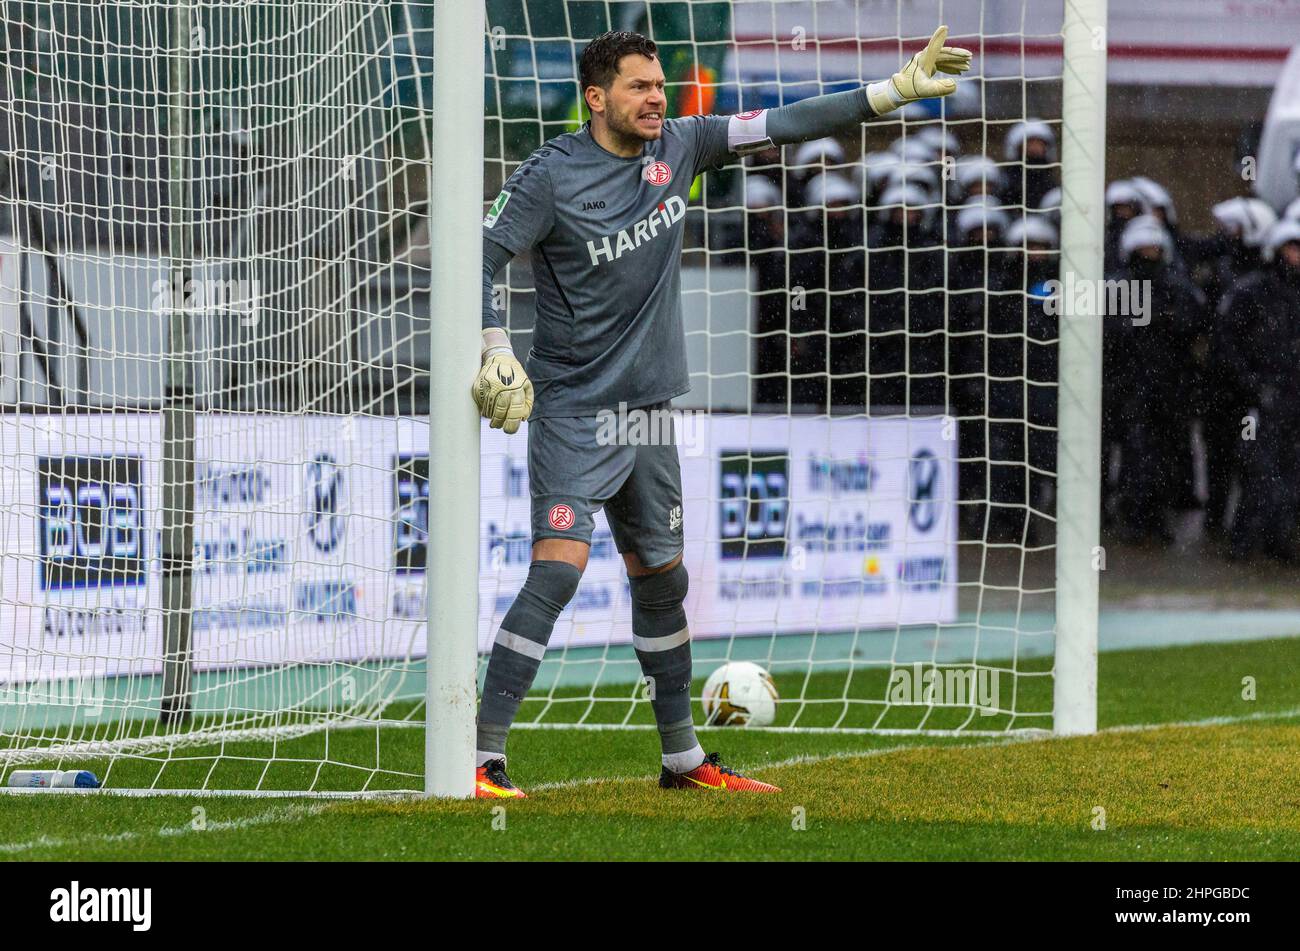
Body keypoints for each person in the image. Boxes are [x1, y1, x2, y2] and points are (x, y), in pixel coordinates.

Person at [470, 28, 973, 797]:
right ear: (597, 97)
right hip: (574, 408)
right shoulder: (549, 176)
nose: (655, 98)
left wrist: (894, 91)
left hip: (650, 415)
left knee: (662, 580)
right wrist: (494, 344)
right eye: (639, 87)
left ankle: (682, 760)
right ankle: (480, 759)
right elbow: (480, 253)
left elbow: (788, 121)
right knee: (558, 571)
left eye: (658, 86)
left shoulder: (688, 142)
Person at [1214, 220, 1300, 562]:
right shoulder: (1250, 292)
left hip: (1292, 398)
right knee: (1259, 472)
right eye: (1292, 247)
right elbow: (1227, 345)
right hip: (1261, 401)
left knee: (1292, 474)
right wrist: (1253, 385)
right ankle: (1245, 541)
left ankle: (1282, 540)